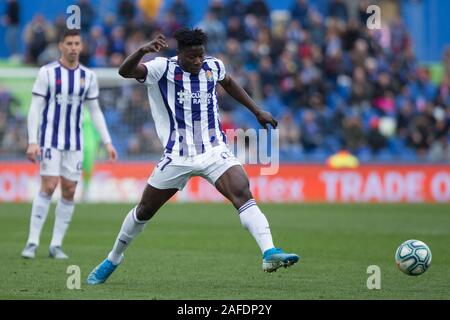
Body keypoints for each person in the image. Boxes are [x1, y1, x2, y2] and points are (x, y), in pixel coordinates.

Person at [87, 28, 298, 284]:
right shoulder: (162, 68)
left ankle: (269, 252)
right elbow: (125, 72)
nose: (198, 61)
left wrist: (256, 111)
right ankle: (113, 258)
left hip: (213, 150)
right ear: (179, 54)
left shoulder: (213, 66)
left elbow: (228, 82)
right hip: (177, 155)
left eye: (200, 55)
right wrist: (142, 51)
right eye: (191, 57)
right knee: (144, 211)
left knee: (242, 192)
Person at [21, 29, 117, 260]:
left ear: (81, 46)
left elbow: (95, 110)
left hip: (75, 143)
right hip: (50, 140)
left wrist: (107, 141)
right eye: (69, 43)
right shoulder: (47, 72)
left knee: (70, 190)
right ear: (61, 46)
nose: (74, 47)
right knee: (49, 185)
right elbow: (35, 108)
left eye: (77, 43)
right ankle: (32, 242)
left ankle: (56, 245)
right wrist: (33, 141)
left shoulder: (89, 76)